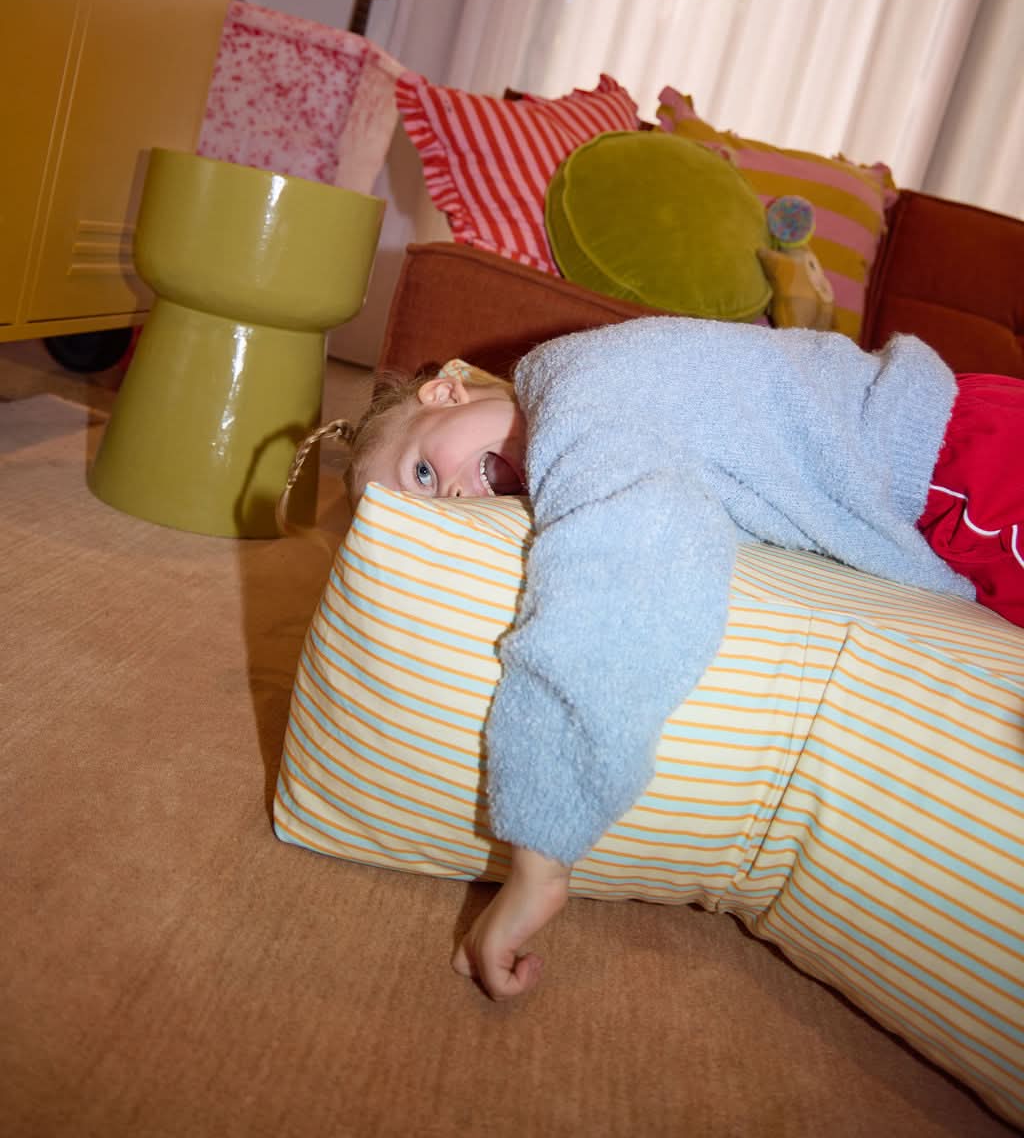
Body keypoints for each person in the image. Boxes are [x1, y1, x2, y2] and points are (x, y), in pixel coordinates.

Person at [281, 318, 1024, 1003]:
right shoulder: (591, 402)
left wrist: (541, 852)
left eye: (420, 471)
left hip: (966, 460)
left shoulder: (580, 391)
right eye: (438, 505)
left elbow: (623, 579)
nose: (454, 494)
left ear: (445, 393)